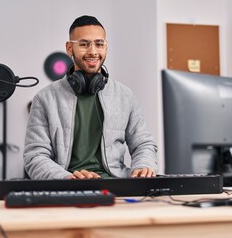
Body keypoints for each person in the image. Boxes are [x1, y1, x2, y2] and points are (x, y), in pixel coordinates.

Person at [23, 15, 158, 180]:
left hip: (117, 185)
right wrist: (65, 178)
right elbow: (34, 156)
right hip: (67, 185)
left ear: (106, 48)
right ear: (69, 48)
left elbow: (143, 144)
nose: (93, 51)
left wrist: (144, 165)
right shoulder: (45, 98)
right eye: (84, 44)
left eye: (99, 44)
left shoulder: (125, 96)